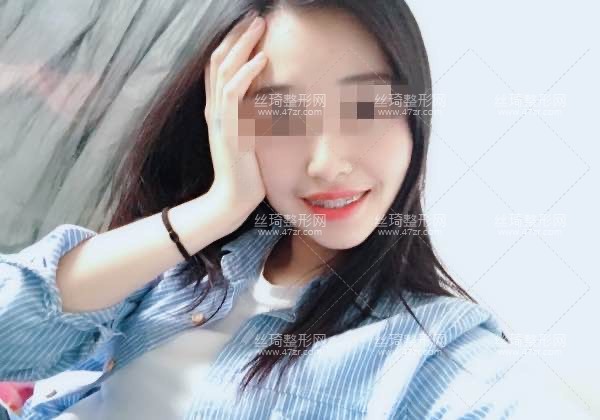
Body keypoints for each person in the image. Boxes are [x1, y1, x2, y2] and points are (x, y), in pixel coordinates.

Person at [0, 1, 589, 419]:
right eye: (281, 114)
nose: (328, 163)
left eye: (366, 108)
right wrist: (217, 209)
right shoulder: (182, 270)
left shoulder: (430, 356)